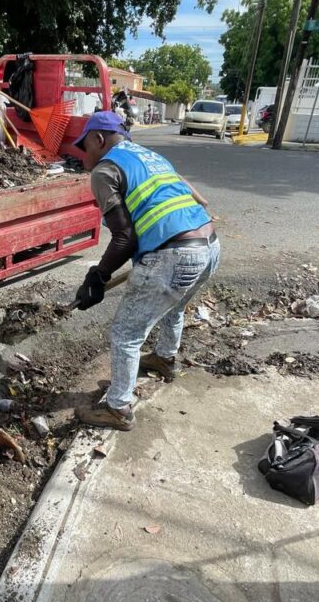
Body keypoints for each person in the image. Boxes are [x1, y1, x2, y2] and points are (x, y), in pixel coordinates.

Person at [73, 111, 220, 431]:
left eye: (84, 147)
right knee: (174, 306)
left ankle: (118, 408)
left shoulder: (104, 170)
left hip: (175, 255)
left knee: (126, 334)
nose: (84, 156)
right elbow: (202, 200)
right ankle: (165, 359)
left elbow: (125, 239)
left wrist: (98, 276)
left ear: (98, 139)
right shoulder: (151, 156)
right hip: (209, 248)